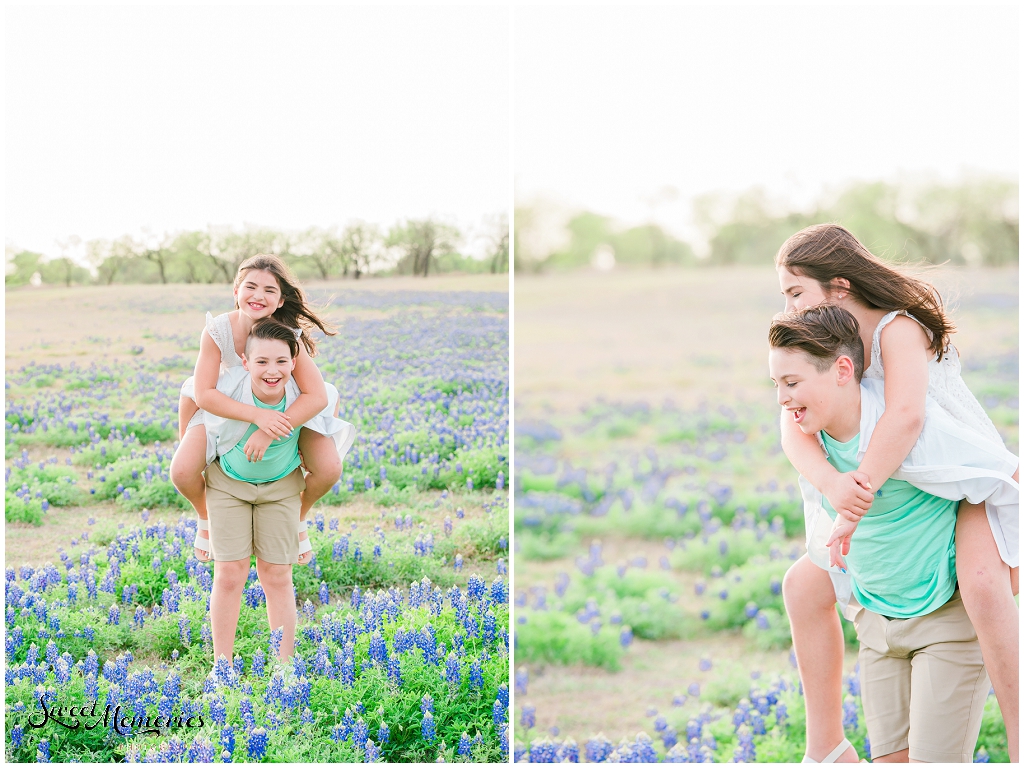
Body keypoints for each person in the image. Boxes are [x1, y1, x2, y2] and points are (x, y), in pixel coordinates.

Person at [774, 224, 1019, 762]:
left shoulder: (896, 328)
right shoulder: (821, 341)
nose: (789, 307)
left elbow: (907, 416)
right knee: (803, 585)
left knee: (980, 585)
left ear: (838, 285)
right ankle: (826, 747)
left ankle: (1019, 728)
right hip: (893, 486)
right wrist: (835, 486)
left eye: (796, 292)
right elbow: (791, 425)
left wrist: (857, 493)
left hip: (955, 473)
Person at [170, 254, 343, 567]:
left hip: (283, 402)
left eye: (269, 290)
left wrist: (268, 428)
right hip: (228, 403)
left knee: (329, 468)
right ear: (236, 291)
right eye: (251, 286)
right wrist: (255, 417)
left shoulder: (286, 334)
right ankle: (206, 516)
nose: (258, 296)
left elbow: (316, 395)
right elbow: (203, 392)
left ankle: (298, 518)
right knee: (182, 471)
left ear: (279, 300)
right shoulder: (217, 331)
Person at [204, 318, 353, 667]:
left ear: (294, 363)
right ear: (245, 363)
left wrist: (271, 431)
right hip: (228, 486)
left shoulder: (303, 397)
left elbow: (328, 398)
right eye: (262, 362)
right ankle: (221, 667)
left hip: (282, 489)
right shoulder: (229, 390)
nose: (273, 370)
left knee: (277, 573)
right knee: (229, 574)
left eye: (282, 362)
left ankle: (283, 668)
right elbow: (191, 393)